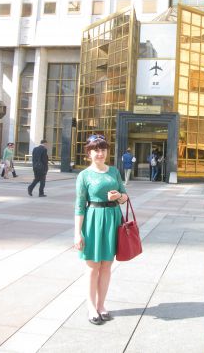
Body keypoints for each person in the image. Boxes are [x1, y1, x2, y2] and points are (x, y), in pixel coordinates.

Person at [74, 134, 129, 325]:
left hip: (113, 220)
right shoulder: (84, 175)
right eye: (96, 150)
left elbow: (125, 197)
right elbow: (79, 206)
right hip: (93, 220)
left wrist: (118, 196)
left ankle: (101, 305)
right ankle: (91, 307)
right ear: (88, 153)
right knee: (92, 267)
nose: (100, 153)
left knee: (106, 265)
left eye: (103, 149)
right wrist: (77, 233)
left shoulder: (114, 171)